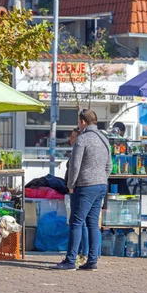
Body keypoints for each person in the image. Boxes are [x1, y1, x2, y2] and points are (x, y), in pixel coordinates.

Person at [54, 109, 111, 271]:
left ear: (83, 122)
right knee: (92, 223)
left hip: (85, 186)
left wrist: (70, 184)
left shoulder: (83, 139)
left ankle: (70, 259)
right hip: (101, 185)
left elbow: (75, 165)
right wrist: (102, 178)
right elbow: (109, 166)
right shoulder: (104, 139)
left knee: (76, 222)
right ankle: (92, 260)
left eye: (79, 122)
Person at [64, 128, 88, 265]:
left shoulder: (79, 152)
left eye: (73, 136)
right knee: (78, 222)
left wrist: (71, 185)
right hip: (73, 189)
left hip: (78, 189)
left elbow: (75, 169)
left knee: (81, 222)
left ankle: (83, 253)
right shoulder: (74, 151)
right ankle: (80, 252)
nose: (70, 139)